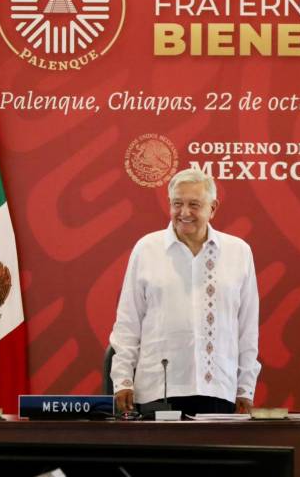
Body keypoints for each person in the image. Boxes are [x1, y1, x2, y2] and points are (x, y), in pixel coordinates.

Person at [109, 168, 261, 417]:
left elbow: (247, 328)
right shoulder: (147, 249)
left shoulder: (239, 252)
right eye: (177, 203)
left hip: (218, 391)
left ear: (213, 208)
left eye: (194, 204)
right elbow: (128, 321)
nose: (184, 213)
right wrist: (123, 380)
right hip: (157, 390)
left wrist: (245, 389)